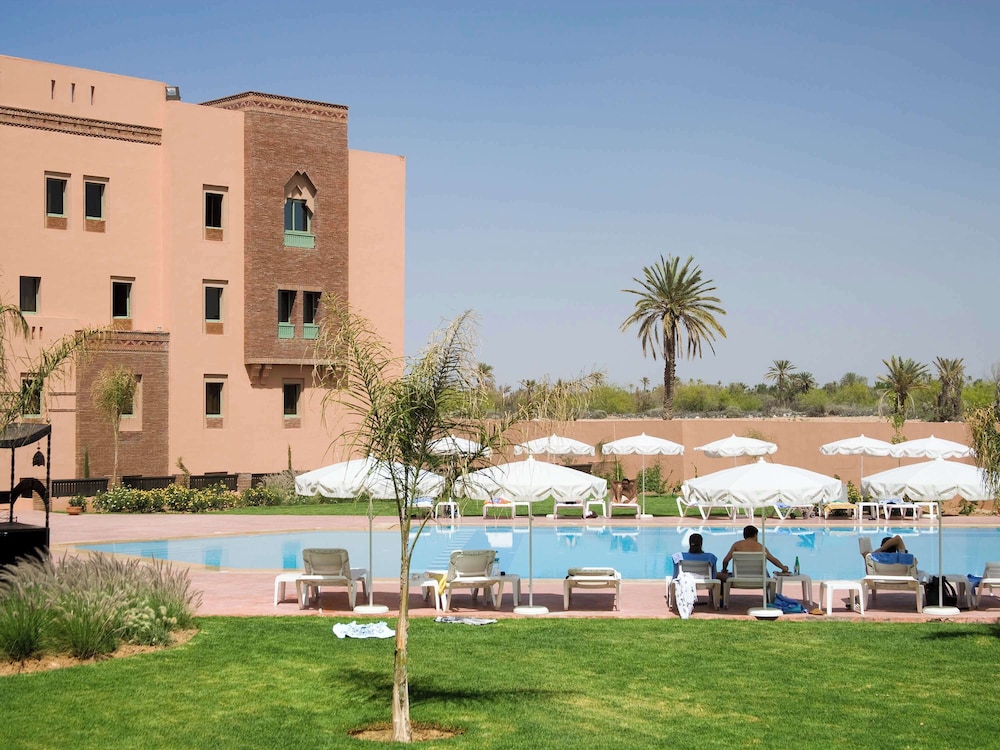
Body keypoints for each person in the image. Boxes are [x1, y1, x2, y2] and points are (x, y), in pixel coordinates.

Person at [718, 525, 788, 581]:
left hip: (738, 577)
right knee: (769, 577)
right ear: (755, 535)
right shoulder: (761, 547)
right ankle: (769, 594)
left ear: (744, 535)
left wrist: (724, 570)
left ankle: (723, 594)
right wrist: (783, 567)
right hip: (760, 579)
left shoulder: (737, 545)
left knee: (717, 575)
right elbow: (773, 560)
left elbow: (725, 561)